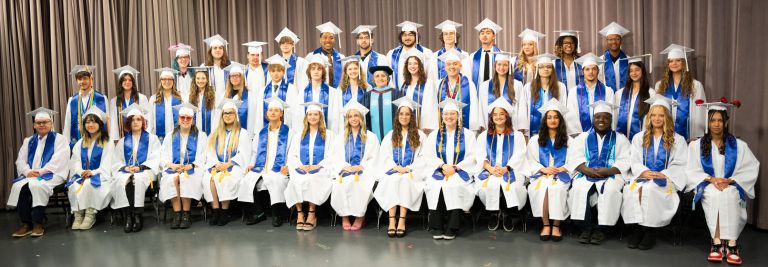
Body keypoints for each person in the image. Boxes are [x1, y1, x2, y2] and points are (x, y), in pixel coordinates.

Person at [687, 99, 759, 265]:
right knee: (714, 195)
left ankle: (732, 242)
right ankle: (717, 241)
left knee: (730, 195)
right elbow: (690, 170)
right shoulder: (697, 145)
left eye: (720, 120)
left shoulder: (739, 145)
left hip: (730, 184)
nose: (716, 124)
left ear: (726, 122)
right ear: (708, 122)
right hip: (708, 183)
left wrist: (731, 180)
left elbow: (751, 167)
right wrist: (711, 179)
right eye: (713, 120)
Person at [621, 95, 687, 250]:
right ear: (649, 117)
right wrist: (643, 172)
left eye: (661, 115)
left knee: (651, 189)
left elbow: (680, 163)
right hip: (643, 177)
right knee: (632, 190)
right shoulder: (639, 138)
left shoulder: (678, 140)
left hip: (665, 179)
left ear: (667, 118)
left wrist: (664, 173)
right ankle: (637, 229)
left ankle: (650, 231)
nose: (657, 119)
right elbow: (634, 160)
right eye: (654, 115)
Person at [566, 101, 630, 245]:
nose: (601, 120)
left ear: (611, 120)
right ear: (593, 119)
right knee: (579, 189)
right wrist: (585, 169)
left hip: (611, 174)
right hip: (585, 173)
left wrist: (609, 170)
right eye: (598, 117)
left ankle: (601, 230)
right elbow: (574, 157)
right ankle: (585, 229)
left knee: (611, 190)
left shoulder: (620, 139)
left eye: (606, 117)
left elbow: (625, 160)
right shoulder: (582, 137)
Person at [423, 98, 479, 240]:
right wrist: (442, 166)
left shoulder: (468, 135)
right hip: (439, 170)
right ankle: (437, 225)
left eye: (452, 114)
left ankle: (452, 226)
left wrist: (456, 167)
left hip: (459, 171)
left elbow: (473, 156)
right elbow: (428, 155)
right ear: (442, 117)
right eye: (446, 114)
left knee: (454, 185)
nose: (449, 117)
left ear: (458, 116)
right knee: (436, 185)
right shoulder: (434, 135)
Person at [9, 108, 69, 237]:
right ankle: (26, 224)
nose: (42, 125)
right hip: (31, 175)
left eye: (45, 122)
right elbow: (20, 160)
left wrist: (40, 172)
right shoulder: (28, 141)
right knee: (19, 187)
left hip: (53, 174)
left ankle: (37, 223)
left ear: (51, 123)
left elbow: (58, 160)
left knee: (37, 186)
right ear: (34, 125)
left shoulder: (60, 139)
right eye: (39, 123)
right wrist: (27, 171)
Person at [373, 97, 428, 238]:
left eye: (407, 114)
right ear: (397, 116)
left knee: (404, 181)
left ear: (412, 117)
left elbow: (424, 157)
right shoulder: (390, 135)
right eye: (401, 114)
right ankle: (392, 220)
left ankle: (402, 220)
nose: (404, 117)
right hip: (393, 171)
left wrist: (409, 168)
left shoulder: (420, 135)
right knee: (392, 181)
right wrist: (395, 167)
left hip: (412, 173)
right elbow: (384, 156)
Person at [474, 98, 527, 231]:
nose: (498, 117)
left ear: (507, 116)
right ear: (491, 117)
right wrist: (491, 169)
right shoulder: (483, 136)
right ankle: (494, 213)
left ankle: (507, 213)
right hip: (490, 169)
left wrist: (506, 168)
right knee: (489, 185)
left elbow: (519, 155)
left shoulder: (518, 135)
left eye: (501, 114)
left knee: (512, 186)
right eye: (495, 115)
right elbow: (480, 155)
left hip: (511, 169)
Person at [285, 102, 337, 231]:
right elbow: (292, 156)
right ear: (306, 117)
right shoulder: (299, 135)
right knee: (294, 181)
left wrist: (318, 166)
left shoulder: (329, 135)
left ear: (320, 117)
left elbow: (332, 155)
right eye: (310, 114)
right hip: (301, 168)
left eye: (315, 114)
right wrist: (301, 166)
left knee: (312, 180)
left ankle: (312, 213)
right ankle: (300, 213)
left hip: (321, 169)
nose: (312, 117)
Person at [525, 99, 572, 241]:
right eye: (549, 117)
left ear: (560, 120)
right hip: (542, 174)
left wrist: (562, 168)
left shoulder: (569, 140)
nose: (552, 120)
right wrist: (543, 169)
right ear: (545, 120)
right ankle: (546, 224)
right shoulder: (535, 140)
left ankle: (556, 225)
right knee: (542, 189)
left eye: (556, 117)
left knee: (557, 189)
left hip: (561, 174)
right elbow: (530, 160)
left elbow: (573, 161)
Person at [242, 98, 293, 227]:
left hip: (279, 168)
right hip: (262, 167)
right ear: (267, 114)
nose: (273, 113)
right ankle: (259, 212)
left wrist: (288, 166)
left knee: (275, 180)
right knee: (248, 179)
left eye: (276, 110)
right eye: (270, 110)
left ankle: (277, 214)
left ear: (281, 113)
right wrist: (251, 164)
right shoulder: (261, 133)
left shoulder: (290, 132)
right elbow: (254, 152)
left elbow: (293, 152)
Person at [111, 104, 161, 233]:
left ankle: (138, 215)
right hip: (127, 171)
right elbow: (116, 161)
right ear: (129, 123)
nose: (136, 122)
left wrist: (140, 167)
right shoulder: (122, 141)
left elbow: (156, 158)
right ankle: (128, 216)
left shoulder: (152, 139)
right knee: (122, 180)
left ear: (143, 122)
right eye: (132, 120)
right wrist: (126, 168)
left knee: (137, 179)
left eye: (138, 119)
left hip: (146, 171)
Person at [331, 101, 379, 231]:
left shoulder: (371, 137)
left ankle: (359, 216)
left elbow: (375, 158)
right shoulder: (340, 137)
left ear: (361, 118)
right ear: (347, 119)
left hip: (364, 171)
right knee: (341, 183)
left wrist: (362, 166)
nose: (353, 119)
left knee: (360, 183)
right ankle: (344, 216)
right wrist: (345, 166)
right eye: (350, 116)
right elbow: (334, 157)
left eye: (356, 116)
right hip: (345, 170)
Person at [158, 102, 207, 229]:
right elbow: (163, 156)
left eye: (188, 118)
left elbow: (203, 155)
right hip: (174, 168)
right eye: (182, 117)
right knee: (172, 178)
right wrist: (172, 166)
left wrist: (192, 165)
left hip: (192, 169)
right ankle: (177, 213)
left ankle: (186, 213)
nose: (185, 120)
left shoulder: (201, 136)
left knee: (185, 178)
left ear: (192, 120)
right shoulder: (170, 136)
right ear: (178, 119)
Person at [203, 99, 251, 226]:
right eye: (225, 113)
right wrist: (216, 163)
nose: (228, 116)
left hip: (234, 166)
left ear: (235, 116)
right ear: (222, 116)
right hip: (218, 165)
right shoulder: (215, 133)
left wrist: (229, 164)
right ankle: (216, 210)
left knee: (224, 179)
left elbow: (244, 153)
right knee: (209, 179)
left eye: (231, 113)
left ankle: (224, 211)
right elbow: (210, 151)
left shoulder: (243, 133)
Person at [66, 107, 113, 231]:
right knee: (75, 186)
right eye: (87, 122)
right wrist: (81, 172)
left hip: (101, 176)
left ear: (100, 124)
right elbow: (75, 162)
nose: (90, 124)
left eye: (94, 121)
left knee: (89, 185)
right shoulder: (80, 143)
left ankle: (90, 214)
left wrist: (92, 172)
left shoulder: (107, 142)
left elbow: (107, 164)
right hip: (82, 175)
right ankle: (78, 214)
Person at [655, 44, 706, 140]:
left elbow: (699, 112)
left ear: (684, 62)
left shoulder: (695, 85)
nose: (674, 63)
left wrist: (695, 136)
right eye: (671, 61)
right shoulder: (660, 85)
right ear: (668, 64)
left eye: (678, 60)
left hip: (688, 134)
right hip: (664, 134)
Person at [566, 53, 616, 135]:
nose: (591, 72)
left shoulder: (608, 91)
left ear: (598, 71)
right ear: (582, 72)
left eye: (594, 69)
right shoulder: (573, 92)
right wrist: (581, 137)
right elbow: (571, 117)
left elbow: (612, 114)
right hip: (580, 137)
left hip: (603, 135)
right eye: (587, 69)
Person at [520, 53, 567, 136]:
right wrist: (524, 132)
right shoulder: (528, 87)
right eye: (541, 67)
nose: (546, 69)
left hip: (555, 129)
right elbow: (523, 109)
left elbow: (563, 108)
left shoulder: (561, 87)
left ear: (552, 69)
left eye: (549, 67)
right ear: (537, 69)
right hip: (533, 130)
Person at [436, 49, 482, 131]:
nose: (452, 67)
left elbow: (474, 107)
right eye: (449, 64)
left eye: (455, 64)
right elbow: (435, 108)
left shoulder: (469, 84)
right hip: (444, 126)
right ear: (445, 67)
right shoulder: (438, 85)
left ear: (460, 66)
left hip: (464, 127)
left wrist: (473, 128)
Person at [478, 52, 525, 132]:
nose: (502, 67)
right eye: (499, 64)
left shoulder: (517, 85)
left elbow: (522, 108)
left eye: (505, 65)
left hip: (513, 127)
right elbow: (481, 108)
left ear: (509, 67)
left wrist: (521, 128)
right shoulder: (485, 86)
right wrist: (482, 126)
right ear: (495, 66)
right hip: (491, 128)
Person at [294, 54, 343, 133]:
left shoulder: (332, 92)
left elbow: (336, 117)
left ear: (323, 72)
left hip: (328, 134)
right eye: (313, 69)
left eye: (319, 69)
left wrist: (333, 136)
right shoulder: (303, 93)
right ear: (309, 71)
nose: (316, 72)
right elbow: (298, 116)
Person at [63, 65, 109, 147]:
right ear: (76, 81)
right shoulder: (72, 100)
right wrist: (66, 144)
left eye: (85, 78)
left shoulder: (101, 98)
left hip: (97, 141)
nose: (82, 82)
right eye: (79, 79)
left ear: (91, 79)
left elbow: (107, 121)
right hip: (78, 141)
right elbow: (67, 124)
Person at [614, 54, 655, 139]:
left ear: (642, 71)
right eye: (631, 71)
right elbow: (615, 117)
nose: (634, 73)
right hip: (621, 139)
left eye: (637, 70)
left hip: (641, 138)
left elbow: (651, 118)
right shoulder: (619, 93)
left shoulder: (651, 93)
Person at [254, 55, 297, 133]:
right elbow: (259, 114)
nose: (276, 74)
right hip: (267, 131)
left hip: (286, 130)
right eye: (273, 71)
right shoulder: (263, 91)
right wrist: (258, 132)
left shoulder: (291, 89)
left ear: (283, 72)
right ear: (269, 72)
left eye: (279, 71)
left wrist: (294, 132)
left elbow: (295, 112)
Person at [398, 50, 438, 133]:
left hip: (424, 127)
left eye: (415, 63)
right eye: (410, 63)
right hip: (407, 125)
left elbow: (431, 106)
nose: (412, 66)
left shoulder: (428, 83)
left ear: (420, 66)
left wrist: (428, 127)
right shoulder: (404, 85)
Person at [387, 21, 434, 87]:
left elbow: (430, 75)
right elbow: (388, 76)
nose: (407, 38)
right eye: (404, 35)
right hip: (398, 94)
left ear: (416, 36)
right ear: (401, 37)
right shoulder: (392, 54)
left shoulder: (427, 53)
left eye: (410, 35)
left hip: (419, 93)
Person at [109, 65, 150, 142]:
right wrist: (115, 140)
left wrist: (146, 135)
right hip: (121, 139)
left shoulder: (142, 98)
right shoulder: (114, 101)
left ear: (133, 82)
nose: (127, 82)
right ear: (121, 83)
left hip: (140, 138)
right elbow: (113, 123)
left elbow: (147, 118)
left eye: (130, 80)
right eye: (124, 80)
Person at [363, 65, 402, 142]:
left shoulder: (396, 94)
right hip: (373, 137)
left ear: (388, 79)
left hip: (394, 136)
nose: (380, 78)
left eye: (383, 76)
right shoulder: (368, 95)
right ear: (373, 80)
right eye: (377, 76)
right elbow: (364, 117)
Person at [307, 21, 345, 88]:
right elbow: (307, 77)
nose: (328, 40)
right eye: (325, 37)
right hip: (318, 93)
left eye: (331, 38)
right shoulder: (311, 56)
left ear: (334, 40)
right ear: (320, 40)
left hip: (337, 94)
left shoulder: (341, 58)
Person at [149, 68, 183, 142]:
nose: (167, 81)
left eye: (170, 79)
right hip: (158, 139)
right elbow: (150, 120)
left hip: (177, 138)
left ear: (173, 82)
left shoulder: (180, 98)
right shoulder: (154, 99)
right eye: (164, 79)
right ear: (160, 81)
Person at [222, 62, 257, 134]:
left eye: (237, 75)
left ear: (242, 77)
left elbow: (253, 117)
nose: (234, 78)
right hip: (227, 133)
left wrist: (250, 134)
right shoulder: (224, 95)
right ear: (229, 78)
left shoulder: (249, 95)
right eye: (232, 76)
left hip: (244, 133)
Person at [469, 18, 503, 87]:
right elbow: (469, 78)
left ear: (494, 36)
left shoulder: (501, 55)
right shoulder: (473, 56)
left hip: (496, 92)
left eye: (488, 33)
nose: (484, 35)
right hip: (478, 94)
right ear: (479, 36)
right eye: (482, 33)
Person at [599, 22, 631, 93]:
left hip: (625, 97)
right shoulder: (600, 61)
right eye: (610, 39)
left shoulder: (629, 60)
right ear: (606, 41)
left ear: (621, 41)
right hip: (606, 98)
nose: (614, 42)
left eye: (617, 39)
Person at [202, 34, 231, 107]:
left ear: (223, 51)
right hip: (210, 102)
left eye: (220, 48)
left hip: (227, 101)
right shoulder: (204, 67)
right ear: (210, 51)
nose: (218, 50)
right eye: (215, 48)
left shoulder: (230, 66)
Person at [188, 66, 217, 135]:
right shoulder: (190, 96)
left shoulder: (214, 95)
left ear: (207, 80)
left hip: (211, 130)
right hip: (196, 131)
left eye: (203, 78)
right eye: (198, 78)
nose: (200, 81)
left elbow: (216, 114)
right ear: (194, 79)